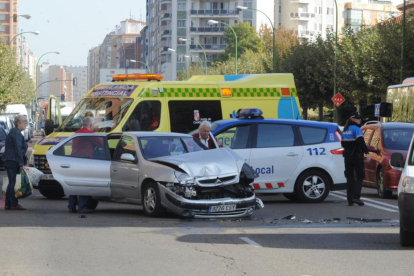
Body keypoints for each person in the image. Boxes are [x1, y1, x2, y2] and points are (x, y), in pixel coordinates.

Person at [68, 116, 102, 213]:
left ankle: (71, 206)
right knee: (83, 184)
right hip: (85, 161)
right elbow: (101, 143)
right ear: (91, 125)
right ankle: (82, 206)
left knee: (74, 184)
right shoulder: (90, 134)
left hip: (74, 161)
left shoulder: (77, 133)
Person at [341, 111, 369, 206]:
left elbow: (343, 144)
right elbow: (361, 142)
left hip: (347, 156)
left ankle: (350, 199)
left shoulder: (345, 130)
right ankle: (356, 197)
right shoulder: (356, 129)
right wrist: (367, 151)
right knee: (360, 176)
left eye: (360, 118)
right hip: (356, 156)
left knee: (350, 177)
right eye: (358, 118)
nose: (359, 119)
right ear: (352, 119)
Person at [2, 115, 28, 210]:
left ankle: (8, 204)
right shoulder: (16, 133)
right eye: (24, 123)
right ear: (18, 123)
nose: (25, 125)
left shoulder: (12, 132)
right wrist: (21, 163)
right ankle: (13, 204)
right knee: (13, 183)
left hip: (8, 160)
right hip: (13, 161)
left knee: (11, 182)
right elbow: (17, 148)